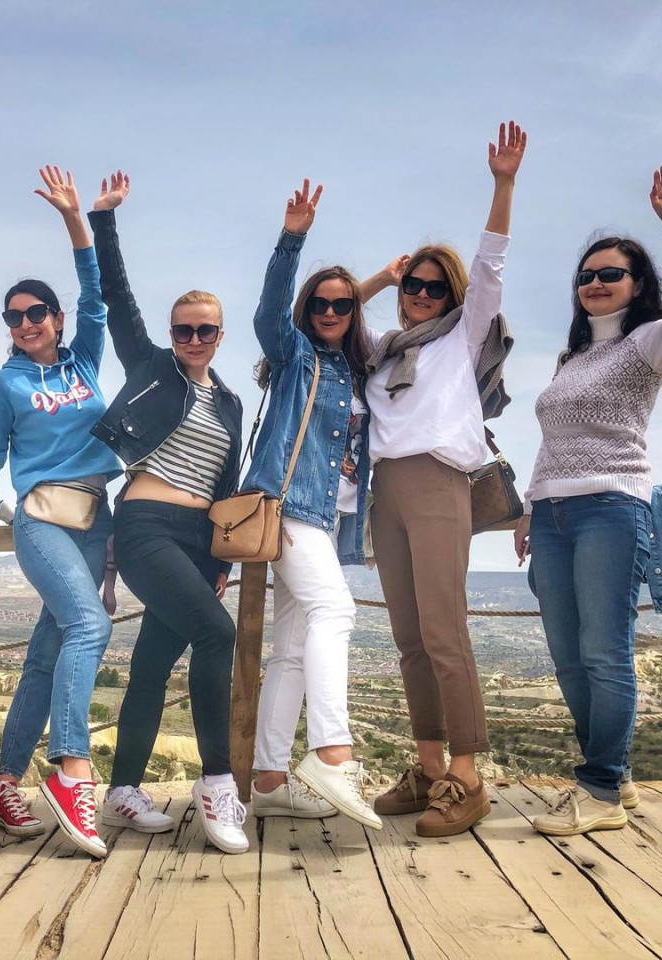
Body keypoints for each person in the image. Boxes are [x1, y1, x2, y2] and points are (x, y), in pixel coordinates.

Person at [516, 165, 662, 836]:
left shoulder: (646, 342)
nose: (596, 282)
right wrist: (531, 507)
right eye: (587, 275)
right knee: (568, 656)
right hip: (552, 517)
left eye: (611, 274)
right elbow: (552, 441)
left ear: (637, 285)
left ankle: (599, 790)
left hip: (611, 509)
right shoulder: (570, 358)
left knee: (605, 653)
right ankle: (615, 774)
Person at [357, 121, 525, 837]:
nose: (421, 294)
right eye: (413, 285)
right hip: (386, 491)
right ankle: (428, 769)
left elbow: (490, 268)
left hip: (437, 484)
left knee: (443, 631)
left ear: (450, 293)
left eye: (433, 286)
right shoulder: (383, 350)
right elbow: (327, 316)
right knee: (408, 637)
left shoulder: (461, 336)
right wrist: (379, 277)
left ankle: (467, 776)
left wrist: (503, 185)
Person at [87, 173, 248, 853]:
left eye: (205, 329)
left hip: (198, 541)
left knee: (153, 662)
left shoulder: (230, 402)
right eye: (184, 328)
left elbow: (225, 484)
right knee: (217, 635)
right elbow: (117, 299)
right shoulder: (151, 366)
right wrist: (103, 221)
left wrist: (219, 559)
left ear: (220, 334)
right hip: (147, 527)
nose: (194, 337)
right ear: (172, 332)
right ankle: (218, 784)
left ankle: (122, 789)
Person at [0, 166, 120, 859]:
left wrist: (74, 219)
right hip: (42, 521)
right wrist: (7, 512)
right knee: (90, 626)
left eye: (37, 313)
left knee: (47, 652)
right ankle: (71, 772)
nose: (27, 323)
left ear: (56, 320)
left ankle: (4, 784)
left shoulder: (83, 362)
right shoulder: (6, 385)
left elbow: (97, 297)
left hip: (96, 519)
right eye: (14, 317)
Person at [245, 180, 381, 830]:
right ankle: (332, 754)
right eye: (320, 303)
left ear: (354, 311)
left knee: (293, 648)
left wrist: (382, 281)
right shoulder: (296, 355)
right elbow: (269, 314)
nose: (330, 311)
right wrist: (291, 240)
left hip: (325, 518)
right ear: (308, 310)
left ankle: (269, 779)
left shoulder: (353, 370)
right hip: (289, 504)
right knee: (336, 611)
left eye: (342, 304)